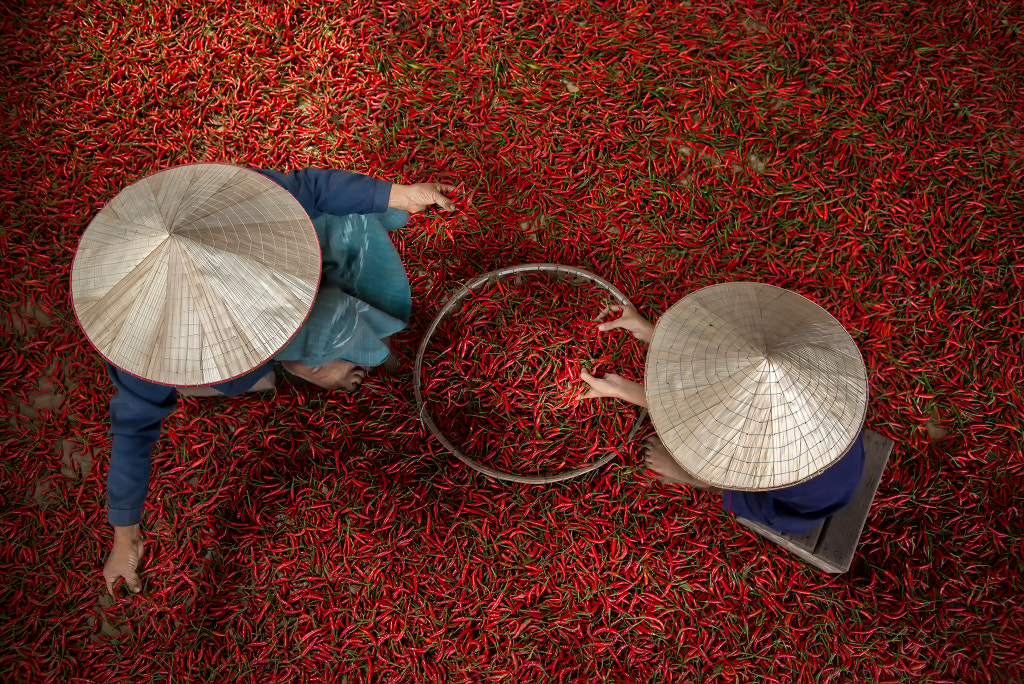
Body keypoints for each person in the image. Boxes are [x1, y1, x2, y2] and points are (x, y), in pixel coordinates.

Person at [73, 165, 457, 595]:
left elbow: (311, 189)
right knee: (328, 323)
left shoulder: (218, 206)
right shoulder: (147, 349)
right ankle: (308, 361)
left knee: (345, 218)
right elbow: (132, 433)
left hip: (261, 252)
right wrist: (125, 536)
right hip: (228, 357)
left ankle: (343, 344)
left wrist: (402, 195)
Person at [579, 283, 869, 536]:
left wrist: (623, 389)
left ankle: (693, 479)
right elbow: (722, 358)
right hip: (843, 448)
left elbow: (716, 447)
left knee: (712, 467)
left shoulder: (760, 456)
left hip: (800, 503)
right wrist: (650, 332)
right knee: (728, 370)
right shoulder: (813, 375)